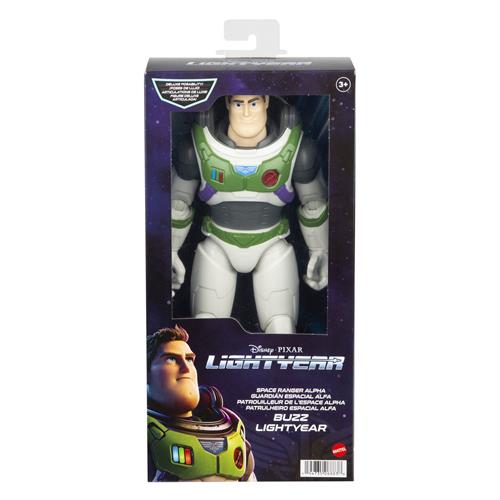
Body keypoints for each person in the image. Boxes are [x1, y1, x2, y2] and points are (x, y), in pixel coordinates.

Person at [171, 95, 328, 333]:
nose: (246, 112)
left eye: (253, 103)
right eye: (238, 104)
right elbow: (178, 203)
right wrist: (170, 250)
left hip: (272, 245)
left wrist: (321, 250)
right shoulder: (196, 148)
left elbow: (314, 203)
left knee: (281, 326)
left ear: (266, 102)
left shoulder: (297, 149)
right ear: (227, 104)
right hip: (217, 245)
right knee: (207, 325)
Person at [147, 324, 256, 481]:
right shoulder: (150, 436)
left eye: (189, 359)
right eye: (171, 359)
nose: (186, 368)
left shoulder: (233, 431)